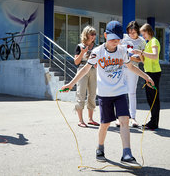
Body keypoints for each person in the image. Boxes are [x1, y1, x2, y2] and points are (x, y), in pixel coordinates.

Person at [61, 21, 154, 167]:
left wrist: (147, 77)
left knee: (124, 120)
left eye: (117, 40)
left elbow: (131, 67)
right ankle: (100, 148)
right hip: (105, 94)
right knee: (105, 124)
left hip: (120, 92)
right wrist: (70, 84)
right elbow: (85, 69)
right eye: (112, 39)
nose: (114, 43)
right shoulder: (97, 52)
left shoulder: (122, 51)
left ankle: (127, 153)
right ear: (105, 36)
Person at [116, 21, 146, 128]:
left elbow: (141, 60)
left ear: (138, 31)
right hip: (122, 68)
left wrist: (131, 57)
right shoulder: (123, 38)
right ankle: (120, 118)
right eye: (129, 32)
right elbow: (117, 49)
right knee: (120, 92)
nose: (131, 34)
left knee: (132, 93)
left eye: (133, 32)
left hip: (133, 69)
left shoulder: (142, 41)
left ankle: (133, 117)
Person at [132, 23, 161, 130]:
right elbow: (144, 61)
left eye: (143, 33)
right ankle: (152, 121)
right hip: (148, 72)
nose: (142, 36)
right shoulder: (148, 43)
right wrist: (139, 54)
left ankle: (154, 123)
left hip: (154, 73)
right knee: (150, 98)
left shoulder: (154, 41)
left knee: (154, 98)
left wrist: (142, 52)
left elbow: (155, 56)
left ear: (148, 31)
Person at [74, 26, 99, 128]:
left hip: (93, 70)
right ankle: (80, 120)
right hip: (82, 69)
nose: (93, 36)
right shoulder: (80, 46)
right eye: (91, 34)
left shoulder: (96, 47)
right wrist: (82, 53)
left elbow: (99, 60)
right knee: (81, 94)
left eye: (94, 34)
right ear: (86, 34)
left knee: (92, 95)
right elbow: (76, 62)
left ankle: (90, 119)